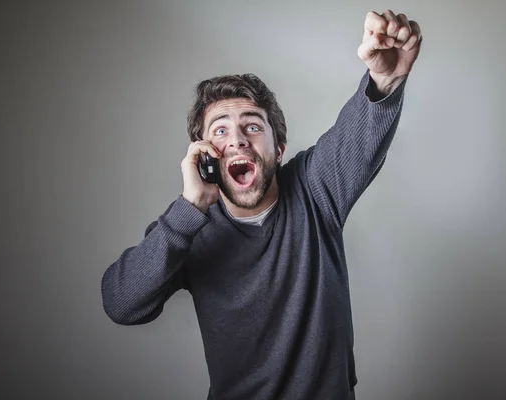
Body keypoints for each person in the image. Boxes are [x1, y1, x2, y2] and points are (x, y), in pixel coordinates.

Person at [102, 9, 422, 400]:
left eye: (252, 126)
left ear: (278, 148)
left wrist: (385, 78)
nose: (237, 140)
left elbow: (357, 135)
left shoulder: (314, 187)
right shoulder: (188, 226)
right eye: (220, 130)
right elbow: (121, 303)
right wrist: (189, 209)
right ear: (204, 155)